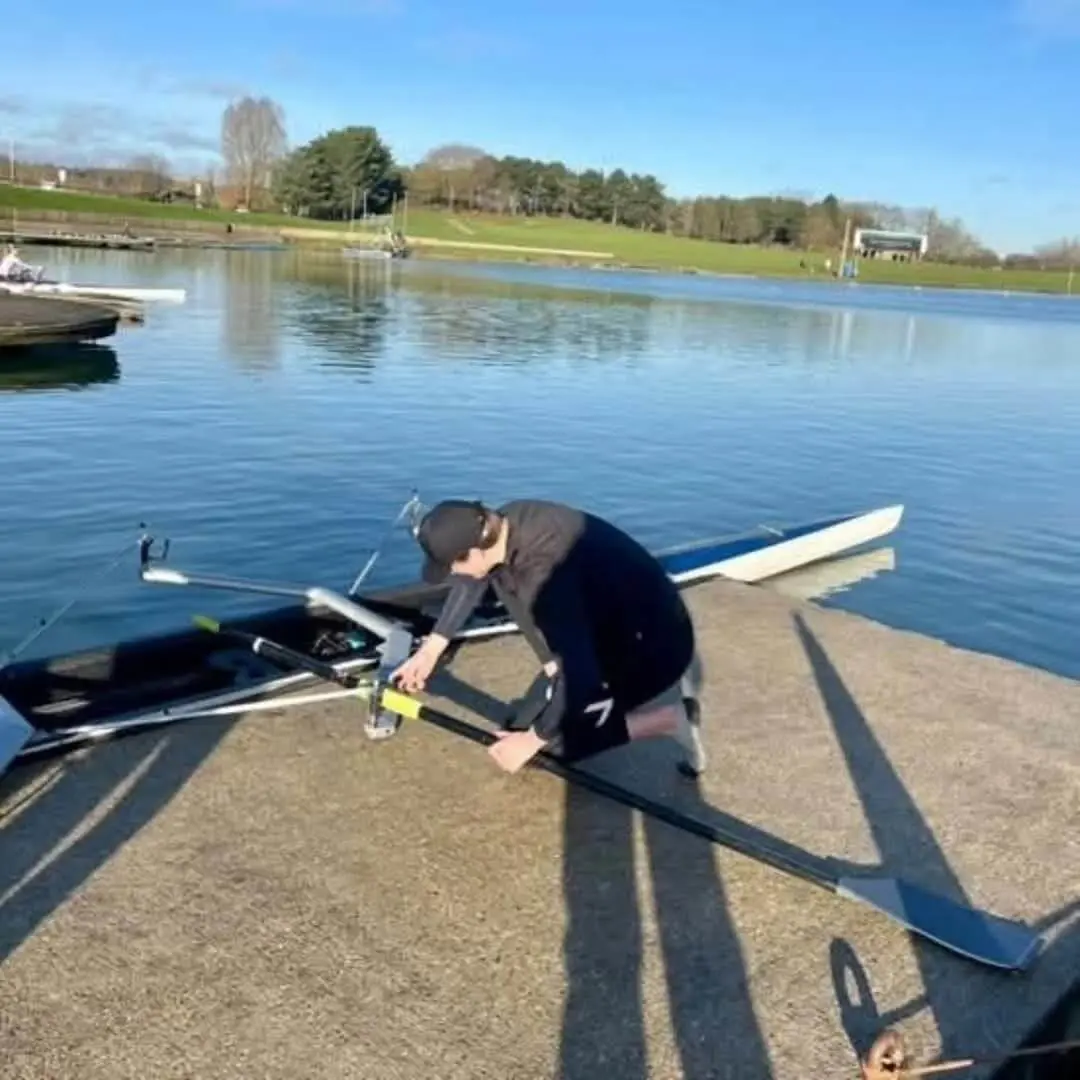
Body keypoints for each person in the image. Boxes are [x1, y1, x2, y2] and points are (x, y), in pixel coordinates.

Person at [391, 497, 706, 777]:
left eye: (452, 566)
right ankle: (564, 697)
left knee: (549, 746)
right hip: (612, 619)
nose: (453, 574)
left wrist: (533, 740)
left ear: (475, 548)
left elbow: (578, 675)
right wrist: (431, 650)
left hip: (654, 647)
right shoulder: (506, 522)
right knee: (516, 727)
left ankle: (671, 720)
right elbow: (476, 579)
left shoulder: (545, 577)